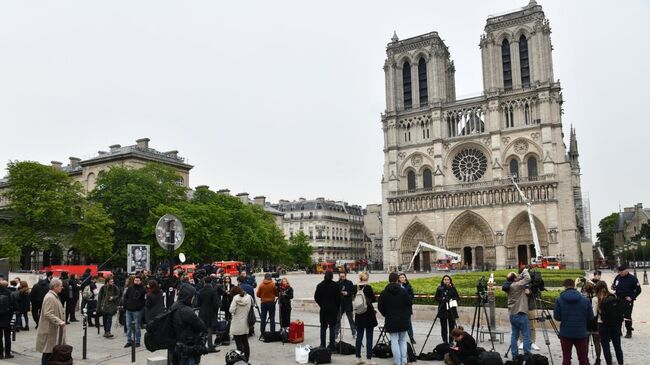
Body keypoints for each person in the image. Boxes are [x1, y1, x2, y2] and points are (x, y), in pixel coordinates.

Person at [553, 278, 593, 365]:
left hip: (565, 333)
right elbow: (590, 317)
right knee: (583, 359)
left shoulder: (559, 300)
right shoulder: (585, 300)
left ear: (564, 287)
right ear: (574, 286)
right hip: (581, 332)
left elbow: (557, 317)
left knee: (566, 358)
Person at [378, 272, 412, 365]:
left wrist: (386, 314)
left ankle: (397, 362)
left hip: (391, 319)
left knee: (394, 341)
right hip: (403, 319)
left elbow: (380, 306)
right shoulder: (403, 291)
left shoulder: (384, 292)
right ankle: (404, 361)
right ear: (397, 280)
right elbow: (409, 303)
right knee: (402, 340)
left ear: (389, 280)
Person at [171, 283, 207, 365]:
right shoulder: (187, 311)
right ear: (189, 296)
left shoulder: (175, 305)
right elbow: (202, 326)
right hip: (187, 345)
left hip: (176, 344)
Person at [502, 269, 532, 359]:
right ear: (515, 279)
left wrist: (518, 276)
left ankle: (515, 355)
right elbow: (528, 278)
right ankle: (527, 354)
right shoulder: (517, 285)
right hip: (521, 313)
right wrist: (525, 271)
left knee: (514, 335)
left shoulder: (510, 286)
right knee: (526, 335)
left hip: (512, 314)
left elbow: (518, 279)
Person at [35, 278, 66, 365]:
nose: (62, 287)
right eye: (60, 286)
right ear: (55, 287)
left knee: (49, 352)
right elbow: (48, 313)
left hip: (52, 330)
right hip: (49, 331)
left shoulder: (53, 296)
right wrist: (59, 321)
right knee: (48, 353)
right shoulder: (50, 297)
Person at [594, 280, 624, 365]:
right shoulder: (613, 296)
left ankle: (609, 363)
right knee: (617, 347)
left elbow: (594, 314)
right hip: (615, 324)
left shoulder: (595, 298)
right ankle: (621, 363)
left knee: (606, 346)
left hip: (602, 324)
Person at [354, 272, 378, 365]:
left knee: (359, 336)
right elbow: (374, 299)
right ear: (366, 278)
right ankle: (369, 359)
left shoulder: (355, 287)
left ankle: (358, 358)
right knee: (369, 337)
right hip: (368, 314)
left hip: (359, 314)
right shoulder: (368, 287)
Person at [611, 265, 641, 338]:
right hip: (618, 299)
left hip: (627, 300)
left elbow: (638, 290)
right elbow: (615, 286)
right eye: (619, 272)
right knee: (618, 315)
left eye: (621, 272)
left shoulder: (633, 279)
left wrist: (632, 297)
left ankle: (629, 331)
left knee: (627, 316)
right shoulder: (618, 277)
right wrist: (613, 287)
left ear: (626, 270)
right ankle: (618, 331)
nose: (620, 273)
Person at [314, 271, 341, 351]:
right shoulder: (336, 286)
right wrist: (336, 307)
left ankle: (323, 345)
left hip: (324, 309)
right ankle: (332, 346)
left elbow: (316, 298)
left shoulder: (320, 285)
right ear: (332, 277)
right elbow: (339, 299)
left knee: (323, 327)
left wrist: (321, 304)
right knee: (332, 327)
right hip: (333, 309)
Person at [229, 285, 253, 362]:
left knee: (238, 343)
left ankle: (241, 360)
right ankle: (247, 359)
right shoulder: (248, 297)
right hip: (245, 321)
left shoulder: (235, 298)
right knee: (245, 342)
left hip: (237, 322)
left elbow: (231, 310)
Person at [197, 276, 220, 352]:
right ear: (211, 282)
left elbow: (198, 303)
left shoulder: (201, 291)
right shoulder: (213, 291)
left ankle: (201, 345)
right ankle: (210, 346)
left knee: (203, 329)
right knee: (210, 329)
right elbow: (216, 304)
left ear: (204, 282)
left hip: (202, 312)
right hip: (211, 312)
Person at [435, 275, 459, 344]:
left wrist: (452, 299)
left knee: (452, 327)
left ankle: (451, 340)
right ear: (443, 280)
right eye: (445, 279)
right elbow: (436, 297)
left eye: (448, 279)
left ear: (450, 280)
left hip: (451, 310)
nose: (446, 281)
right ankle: (445, 341)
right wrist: (442, 299)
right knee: (444, 327)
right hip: (443, 310)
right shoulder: (440, 288)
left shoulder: (453, 288)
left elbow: (457, 297)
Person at [123, 275, 146, 348]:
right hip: (128, 309)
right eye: (135, 280)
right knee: (128, 326)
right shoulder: (130, 287)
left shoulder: (143, 289)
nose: (136, 282)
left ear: (140, 281)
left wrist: (140, 307)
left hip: (137, 310)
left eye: (137, 281)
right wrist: (125, 305)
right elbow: (126, 297)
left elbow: (144, 300)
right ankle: (129, 341)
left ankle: (137, 341)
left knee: (137, 327)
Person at [582, 281, 602, 365]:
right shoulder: (597, 298)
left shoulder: (582, 299)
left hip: (586, 322)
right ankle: (598, 360)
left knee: (585, 342)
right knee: (597, 342)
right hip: (596, 322)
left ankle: (586, 359)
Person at [336, 272, 357, 339]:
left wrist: (347, 293)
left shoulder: (349, 283)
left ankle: (354, 333)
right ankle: (336, 333)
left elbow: (353, 292)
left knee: (351, 319)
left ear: (346, 276)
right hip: (340, 304)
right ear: (339, 276)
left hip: (348, 304)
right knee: (338, 320)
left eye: (343, 276)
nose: (342, 278)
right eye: (341, 276)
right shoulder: (337, 284)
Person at [399, 273, 416, 344]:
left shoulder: (408, 286)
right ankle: (400, 338)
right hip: (399, 308)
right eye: (400, 277)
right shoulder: (398, 286)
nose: (401, 278)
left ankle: (411, 337)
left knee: (408, 323)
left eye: (403, 277)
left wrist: (406, 299)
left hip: (407, 308)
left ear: (405, 278)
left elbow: (412, 296)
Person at [0, 280, 15, 359]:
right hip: (7, 318)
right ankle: (7, 353)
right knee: (7, 337)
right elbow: (14, 306)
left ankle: (0, 354)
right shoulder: (10, 294)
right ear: (7, 286)